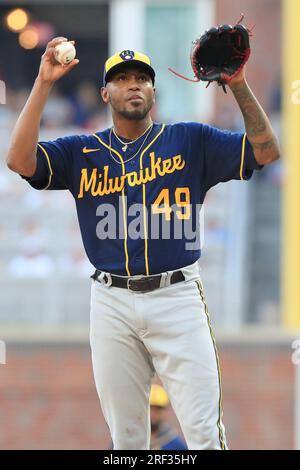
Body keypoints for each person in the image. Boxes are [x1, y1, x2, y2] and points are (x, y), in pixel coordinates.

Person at [6, 38, 280, 450]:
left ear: (153, 92)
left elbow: (266, 150)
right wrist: (43, 83)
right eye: (121, 79)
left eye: (141, 79)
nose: (132, 84)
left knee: (205, 434)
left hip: (177, 296)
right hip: (111, 300)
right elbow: (19, 160)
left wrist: (239, 84)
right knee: (128, 440)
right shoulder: (82, 151)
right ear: (105, 93)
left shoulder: (189, 140)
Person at [149, 384, 187, 450]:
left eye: (158, 409)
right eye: (150, 408)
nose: (153, 414)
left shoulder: (175, 444)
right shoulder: (132, 439)